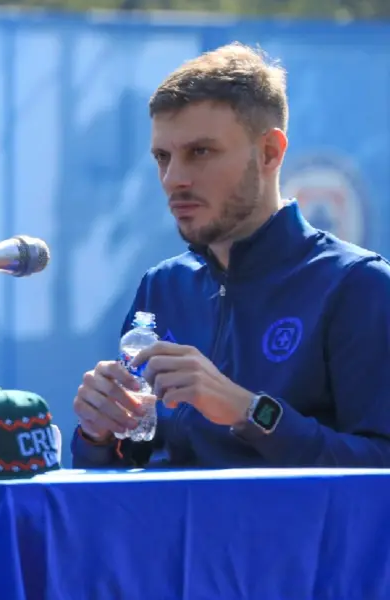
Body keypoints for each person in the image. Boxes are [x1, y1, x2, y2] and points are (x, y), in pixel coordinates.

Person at [72, 43, 390, 468]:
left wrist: (250, 412)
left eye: (200, 152)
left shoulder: (357, 285)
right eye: (163, 157)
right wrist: (98, 432)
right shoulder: (162, 288)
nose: (174, 179)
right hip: (172, 537)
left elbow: (380, 468)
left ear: (270, 153)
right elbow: (128, 470)